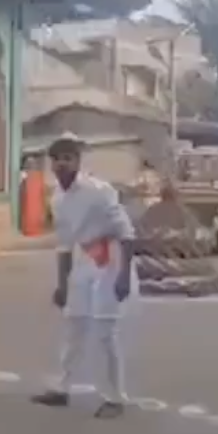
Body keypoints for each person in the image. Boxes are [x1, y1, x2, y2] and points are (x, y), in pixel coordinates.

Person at [31, 134, 135, 418]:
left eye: (68, 158)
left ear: (78, 161)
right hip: (84, 259)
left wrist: (124, 275)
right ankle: (62, 389)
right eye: (57, 159)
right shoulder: (58, 199)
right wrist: (61, 284)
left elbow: (126, 234)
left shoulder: (98, 190)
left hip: (110, 257)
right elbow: (64, 245)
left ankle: (114, 398)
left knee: (104, 332)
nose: (62, 163)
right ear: (51, 164)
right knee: (73, 325)